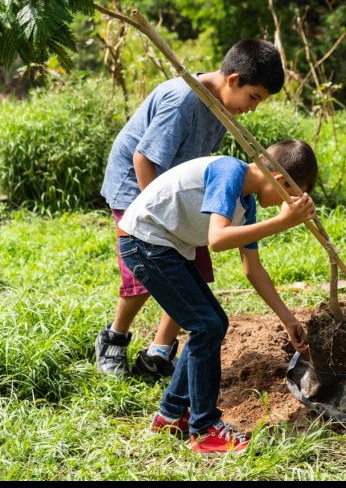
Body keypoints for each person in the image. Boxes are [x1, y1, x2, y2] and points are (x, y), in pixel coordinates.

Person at [96, 38, 285, 379]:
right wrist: (157, 215)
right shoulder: (184, 99)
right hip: (137, 187)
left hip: (177, 193)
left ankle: (158, 352)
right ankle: (114, 338)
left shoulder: (222, 108)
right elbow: (144, 158)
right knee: (144, 273)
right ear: (233, 80)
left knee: (191, 272)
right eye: (253, 97)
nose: (253, 108)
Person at [117, 139, 317, 454]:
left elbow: (253, 269)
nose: (289, 204)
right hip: (144, 241)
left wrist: (287, 319)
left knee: (213, 323)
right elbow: (218, 239)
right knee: (206, 325)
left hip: (164, 246)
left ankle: (171, 414)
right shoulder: (229, 172)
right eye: (292, 195)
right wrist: (280, 223)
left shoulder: (246, 203)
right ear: (280, 181)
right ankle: (205, 429)